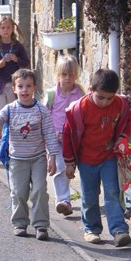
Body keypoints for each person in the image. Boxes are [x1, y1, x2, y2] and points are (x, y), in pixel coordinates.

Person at [63, 68, 131, 247]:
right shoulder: (78, 109)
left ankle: (119, 230)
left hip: (108, 157)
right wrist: (69, 162)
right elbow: (67, 135)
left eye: (110, 98)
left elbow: (126, 123)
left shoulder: (120, 104)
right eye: (100, 97)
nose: (105, 102)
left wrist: (122, 139)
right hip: (86, 160)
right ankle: (92, 229)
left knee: (112, 193)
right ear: (90, 90)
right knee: (89, 195)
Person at [0, 68, 58, 241]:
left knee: (40, 190)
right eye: (20, 86)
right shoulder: (10, 109)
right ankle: (20, 223)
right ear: (14, 89)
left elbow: (49, 133)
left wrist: (52, 157)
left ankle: (41, 225)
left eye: (28, 86)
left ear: (34, 88)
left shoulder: (41, 110)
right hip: (17, 160)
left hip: (38, 158)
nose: (24, 90)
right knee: (18, 193)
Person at [44, 55, 84, 216]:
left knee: (72, 168)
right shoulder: (52, 94)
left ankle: (86, 199)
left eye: (71, 74)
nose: (68, 78)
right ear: (58, 75)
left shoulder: (79, 93)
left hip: (75, 138)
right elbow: (45, 116)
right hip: (57, 139)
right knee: (60, 167)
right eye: (64, 74)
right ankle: (63, 200)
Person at [0, 16, 29, 146]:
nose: (6, 30)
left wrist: (16, 60)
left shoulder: (17, 46)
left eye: (8, 27)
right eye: (3, 27)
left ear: (12, 29)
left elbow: (26, 63)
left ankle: (10, 135)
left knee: (11, 110)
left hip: (13, 84)